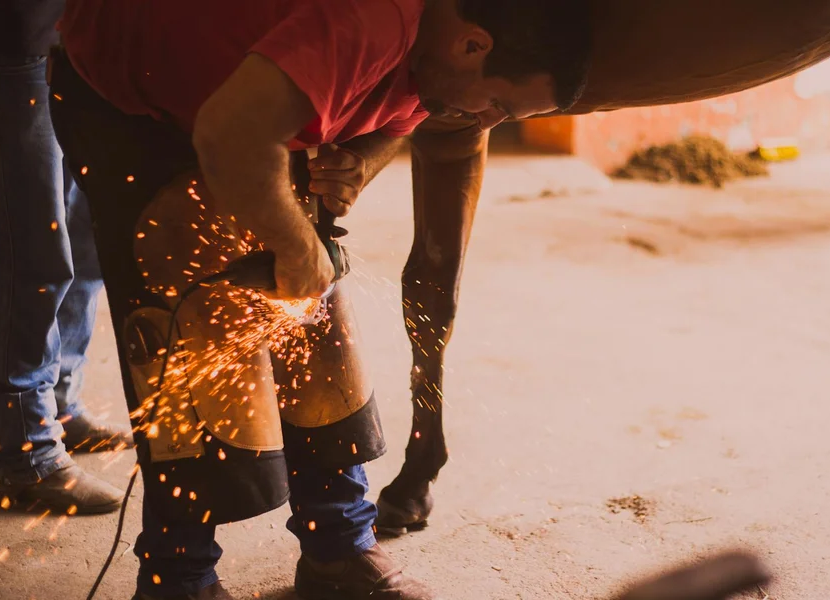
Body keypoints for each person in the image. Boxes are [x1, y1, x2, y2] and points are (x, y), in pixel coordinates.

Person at [47, 0, 592, 598]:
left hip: (246, 101)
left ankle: (340, 546)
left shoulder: (440, 58)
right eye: (499, 105)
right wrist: (294, 246)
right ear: (474, 45)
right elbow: (228, 133)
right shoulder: (370, 23)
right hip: (135, 103)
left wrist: (360, 160)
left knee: (314, 317)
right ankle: (177, 578)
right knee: (194, 329)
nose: (484, 121)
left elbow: (406, 114)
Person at [0, 0, 133, 514]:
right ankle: (28, 451)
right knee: (33, 250)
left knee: (86, 243)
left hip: (84, 53)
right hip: (17, 48)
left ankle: (60, 405)